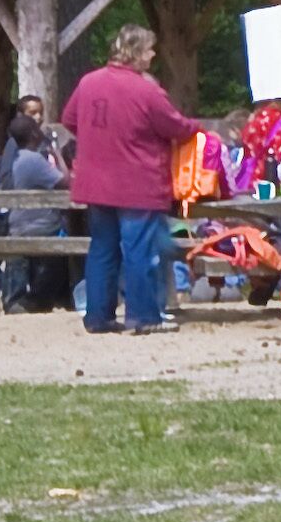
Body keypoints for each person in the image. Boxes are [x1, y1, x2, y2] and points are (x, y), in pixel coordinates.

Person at [60, 26, 218, 334]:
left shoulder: (88, 83)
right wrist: (197, 127)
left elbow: (69, 119)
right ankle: (143, 316)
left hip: (96, 184)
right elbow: (176, 127)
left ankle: (98, 316)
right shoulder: (146, 91)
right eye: (149, 50)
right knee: (139, 252)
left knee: (102, 250)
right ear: (136, 52)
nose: (153, 54)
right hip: (137, 184)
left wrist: (99, 141)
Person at [0, 123, 74, 312]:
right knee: (58, 261)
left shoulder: (14, 159)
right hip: (39, 226)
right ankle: (36, 302)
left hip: (18, 224)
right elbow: (64, 181)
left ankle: (21, 301)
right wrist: (56, 153)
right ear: (33, 134)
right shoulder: (33, 160)